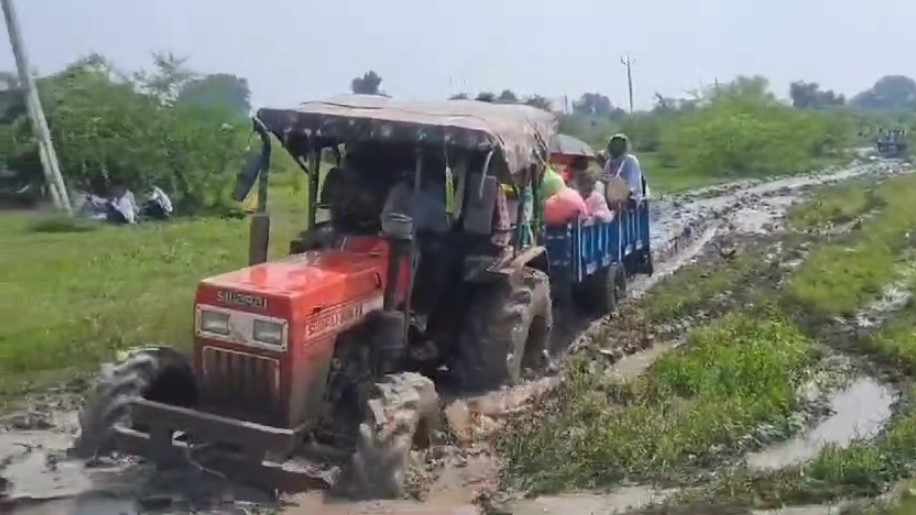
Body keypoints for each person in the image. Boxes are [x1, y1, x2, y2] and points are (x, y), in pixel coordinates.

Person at [602, 133, 645, 201]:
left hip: (631, 198)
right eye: (614, 144)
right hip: (612, 197)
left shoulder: (631, 161)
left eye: (619, 144)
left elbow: (633, 184)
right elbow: (604, 178)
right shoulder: (609, 162)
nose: (616, 146)